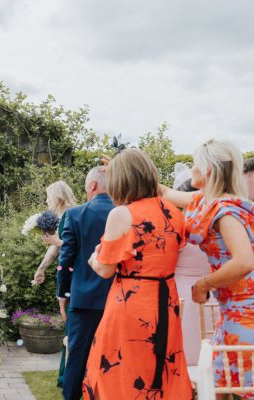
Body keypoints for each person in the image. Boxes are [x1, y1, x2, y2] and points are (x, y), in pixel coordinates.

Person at [83, 149, 192, 399]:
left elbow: (105, 269)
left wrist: (93, 259)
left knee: (124, 372)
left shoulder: (122, 214)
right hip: (166, 302)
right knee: (160, 368)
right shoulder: (173, 212)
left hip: (131, 303)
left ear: (120, 180)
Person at [161, 139, 254, 396]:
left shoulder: (225, 210)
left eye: (195, 164)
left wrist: (204, 284)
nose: (191, 169)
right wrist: (129, 167)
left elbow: (245, 261)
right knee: (219, 381)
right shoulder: (206, 199)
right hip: (231, 309)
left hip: (246, 312)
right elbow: (167, 193)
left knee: (241, 386)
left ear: (208, 170)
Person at [56, 166, 114, 400]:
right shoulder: (125, 213)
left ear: (92, 185)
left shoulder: (76, 214)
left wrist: (62, 293)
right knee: (114, 356)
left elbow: (66, 259)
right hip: (117, 298)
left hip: (83, 299)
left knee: (77, 358)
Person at [32, 180, 77, 387]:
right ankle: (66, 375)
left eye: (49, 195)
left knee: (72, 324)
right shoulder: (59, 217)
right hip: (64, 272)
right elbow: (55, 248)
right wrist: (41, 269)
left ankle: (70, 375)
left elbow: (71, 245)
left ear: (58, 196)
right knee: (68, 323)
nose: (47, 199)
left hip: (74, 273)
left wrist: (54, 242)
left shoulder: (73, 214)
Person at [172, 164, 210, 366]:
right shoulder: (213, 222)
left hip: (181, 292)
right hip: (210, 290)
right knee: (206, 340)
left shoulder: (177, 225)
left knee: (185, 342)